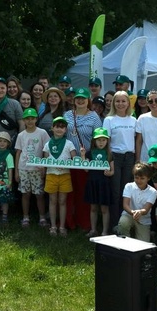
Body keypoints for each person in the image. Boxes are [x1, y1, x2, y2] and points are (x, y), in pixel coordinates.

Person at [64, 87, 102, 230]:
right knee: (68, 191)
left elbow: (98, 138)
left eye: (83, 98)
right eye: (78, 98)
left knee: (83, 192)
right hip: (68, 159)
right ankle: (69, 221)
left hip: (86, 160)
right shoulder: (67, 115)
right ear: (74, 100)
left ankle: (84, 222)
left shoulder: (94, 117)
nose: (80, 101)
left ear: (88, 100)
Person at [103, 91, 137, 231]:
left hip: (129, 157)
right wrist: (110, 162)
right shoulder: (109, 119)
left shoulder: (134, 120)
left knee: (127, 191)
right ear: (113, 103)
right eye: (117, 101)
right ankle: (115, 224)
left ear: (128, 103)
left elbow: (136, 140)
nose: (120, 104)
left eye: (124, 101)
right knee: (116, 192)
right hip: (115, 157)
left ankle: (126, 223)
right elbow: (107, 143)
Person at [14, 108, 50, 228]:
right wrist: (16, 171)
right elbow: (18, 153)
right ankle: (25, 217)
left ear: (36, 119)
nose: (30, 121)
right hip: (24, 168)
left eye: (32, 118)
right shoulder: (21, 135)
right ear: (24, 120)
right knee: (25, 194)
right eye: (27, 119)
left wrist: (44, 166)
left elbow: (46, 151)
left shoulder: (42, 133)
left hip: (37, 169)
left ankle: (42, 217)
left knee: (39, 194)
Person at [42, 116, 77, 236]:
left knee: (62, 201)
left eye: (62, 127)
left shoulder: (69, 143)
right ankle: (53, 226)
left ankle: (61, 226)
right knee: (52, 201)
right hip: (51, 175)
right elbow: (44, 160)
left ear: (66, 130)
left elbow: (75, 159)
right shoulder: (47, 144)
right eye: (57, 126)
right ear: (52, 128)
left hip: (65, 175)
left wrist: (72, 161)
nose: (59, 129)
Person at [82, 127, 114, 237]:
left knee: (104, 208)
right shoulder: (89, 153)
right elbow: (85, 169)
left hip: (104, 184)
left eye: (103, 140)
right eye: (98, 140)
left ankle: (105, 231)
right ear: (94, 141)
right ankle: (93, 229)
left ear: (107, 141)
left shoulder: (109, 154)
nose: (101, 142)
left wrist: (109, 173)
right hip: (92, 182)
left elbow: (112, 171)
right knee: (93, 207)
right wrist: (82, 155)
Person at [116, 162, 157, 241]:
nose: (138, 180)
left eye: (142, 178)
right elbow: (125, 205)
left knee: (143, 244)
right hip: (128, 214)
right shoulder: (129, 186)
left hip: (143, 219)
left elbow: (146, 209)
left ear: (148, 178)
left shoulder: (153, 191)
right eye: (136, 177)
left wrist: (140, 212)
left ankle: (146, 234)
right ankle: (124, 238)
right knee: (123, 222)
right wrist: (133, 212)